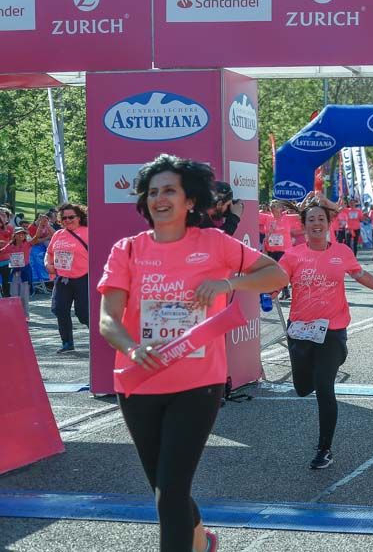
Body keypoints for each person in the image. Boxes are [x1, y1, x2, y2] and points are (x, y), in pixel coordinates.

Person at [97, 155, 288, 552]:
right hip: (139, 381)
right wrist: (132, 349)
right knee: (165, 489)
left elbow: (277, 274)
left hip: (198, 384)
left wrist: (227, 282)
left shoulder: (214, 243)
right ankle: (202, 541)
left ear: (189, 201)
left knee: (171, 492)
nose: (159, 199)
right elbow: (107, 320)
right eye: (153, 192)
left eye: (170, 190)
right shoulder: (127, 251)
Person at [280, 201, 373, 469]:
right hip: (300, 331)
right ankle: (327, 362)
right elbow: (278, 279)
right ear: (304, 226)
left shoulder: (342, 252)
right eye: (311, 220)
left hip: (332, 329)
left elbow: (361, 274)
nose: (316, 224)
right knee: (302, 388)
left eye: (321, 219)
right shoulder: (293, 255)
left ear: (328, 224)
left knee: (324, 388)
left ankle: (324, 448)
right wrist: (270, 290)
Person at [45, 202, 90, 353]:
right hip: (63, 278)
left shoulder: (88, 232)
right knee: (59, 309)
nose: (67, 220)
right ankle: (67, 343)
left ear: (79, 217)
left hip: (83, 277)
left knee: (83, 314)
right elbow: (49, 252)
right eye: (64, 218)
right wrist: (48, 264)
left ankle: (99, 338)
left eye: (71, 217)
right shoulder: (58, 234)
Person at [0, 227, 36, 319]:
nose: (21, 235)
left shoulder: (27, 244)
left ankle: (25, 316)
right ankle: (16, 315)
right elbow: (2, 251)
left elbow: (36, 237)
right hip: (14, 273)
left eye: (23, 234)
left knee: (24, 296)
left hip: (25, 272)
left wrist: (41, 225)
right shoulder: (10, 246)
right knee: (14, 295)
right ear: (14, 235)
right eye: (19, 234)